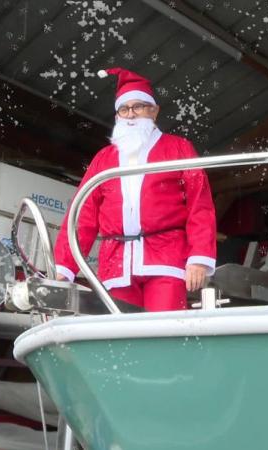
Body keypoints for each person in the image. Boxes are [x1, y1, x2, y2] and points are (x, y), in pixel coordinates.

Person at [53, 67, 217, 312]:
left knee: (164, 332)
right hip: (115, 263)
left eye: (138, 107)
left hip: (166, 258)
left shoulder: (178, 148)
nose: (130, 115)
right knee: (119, 338)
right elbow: (82, 215)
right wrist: (64, 268)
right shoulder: (104, 158)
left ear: (154, 110)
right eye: (124, 109)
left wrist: (199, 258)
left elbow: (199, 205)